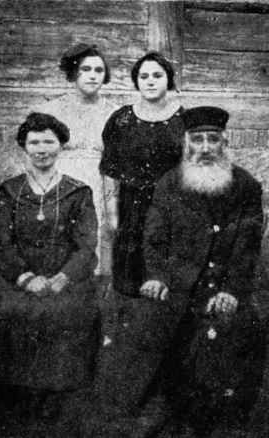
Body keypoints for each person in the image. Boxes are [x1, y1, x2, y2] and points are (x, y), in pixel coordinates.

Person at [141, 106, 266, 437]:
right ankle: (173, 409)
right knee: (164, 331)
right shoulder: (169, 184)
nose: (206, 147)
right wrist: (157, 276)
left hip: (225, 285)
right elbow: (154, 239)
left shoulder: (246, 186)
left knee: (243, 327)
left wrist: (232, 290)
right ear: (187, 143)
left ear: (225, 143)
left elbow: (248, 247)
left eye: (213, 139)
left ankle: (224, 414)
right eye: (198, 139)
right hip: (179, 284)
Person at [0, 112, 99, 436]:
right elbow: (2, 243)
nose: (41, 149)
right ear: (24, 147)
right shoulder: (11, 192)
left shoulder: (78, 193)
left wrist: (61, 279)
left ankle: (58, 411)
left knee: (68, 315)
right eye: (34, 142)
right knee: (3, 313)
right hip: (19, 281)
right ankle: (13, 409)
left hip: (65, 282)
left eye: (48, 141)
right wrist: (26, 277)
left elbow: (87, 247)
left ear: (60, 146)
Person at [100, 50, 184, 297]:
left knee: (166, 283)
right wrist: (112, 213)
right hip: (131, 208)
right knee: (129, 283)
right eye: (144, 75)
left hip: (171, 207)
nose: (150, 81)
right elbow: (109, 169)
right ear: (136, 81)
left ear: (168, 80)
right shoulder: (122, 119)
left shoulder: (184, 120)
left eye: (157, 75)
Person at [38, 43, 117, 279]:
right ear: (74, 72)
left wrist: (112, 202)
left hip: (97, 184)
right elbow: (37, 156)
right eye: (86, 69)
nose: (93, 75)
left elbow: (114, 162)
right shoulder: (51, 111)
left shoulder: (114, 113)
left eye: (99, 70)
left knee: (92, 244)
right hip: (58, 183)